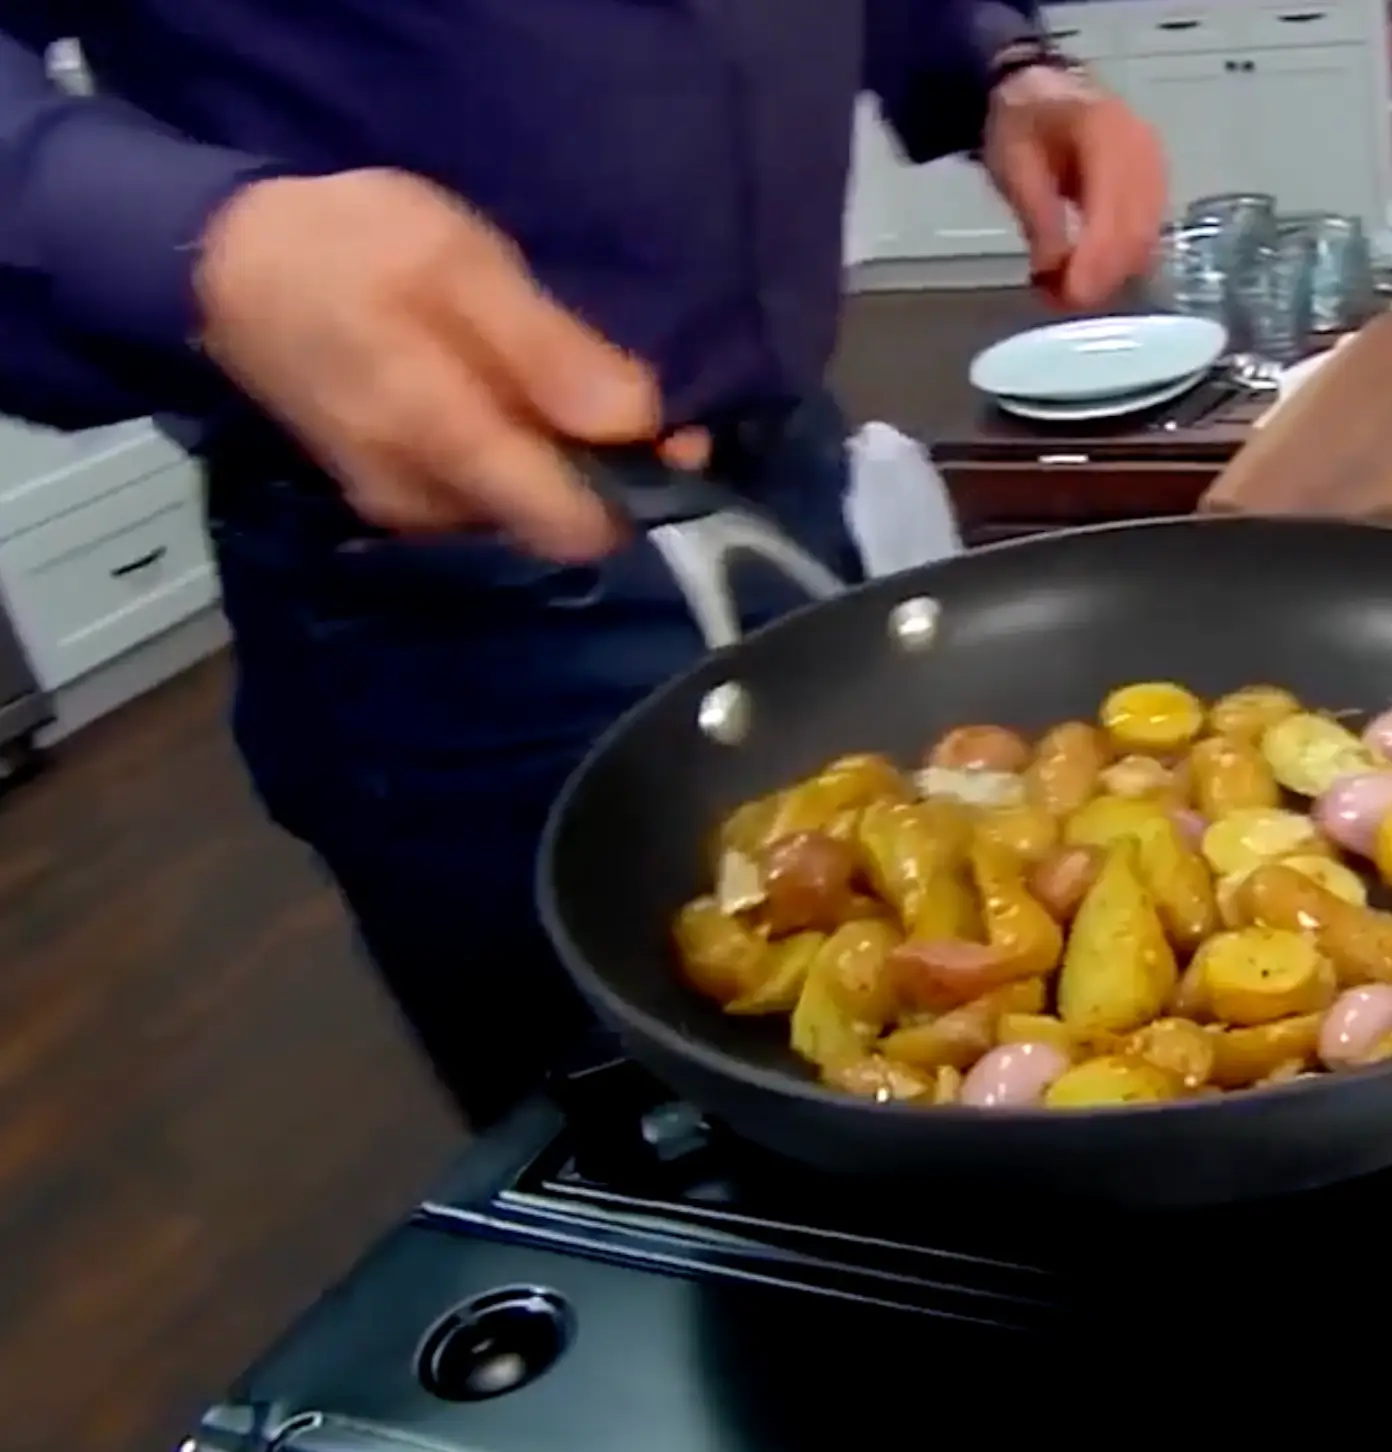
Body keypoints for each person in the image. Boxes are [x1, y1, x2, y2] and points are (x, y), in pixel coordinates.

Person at [0, 6, 1166, 1130]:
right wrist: (207, 243)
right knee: (667, 1171)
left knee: (891, 1058)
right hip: (459, 578)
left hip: (790, 477)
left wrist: (993, 62)